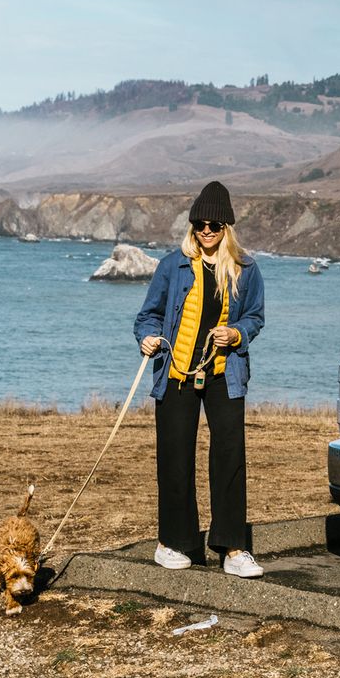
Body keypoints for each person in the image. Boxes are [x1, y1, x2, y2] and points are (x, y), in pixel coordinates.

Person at [133, 181, 266, 577]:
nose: (206, 231)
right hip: (176, 373)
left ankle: (233, 549)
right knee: (175, 458)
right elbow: (148, 315)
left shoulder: (246, 268)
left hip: (226, 374)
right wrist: (148, 338)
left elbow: (255, 317)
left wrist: (236, 333)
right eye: (199, 224)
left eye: (214, 224)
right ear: (192, 227)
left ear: (227, 227)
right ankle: (173, 542)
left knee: (229, 457)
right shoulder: (171, 265)